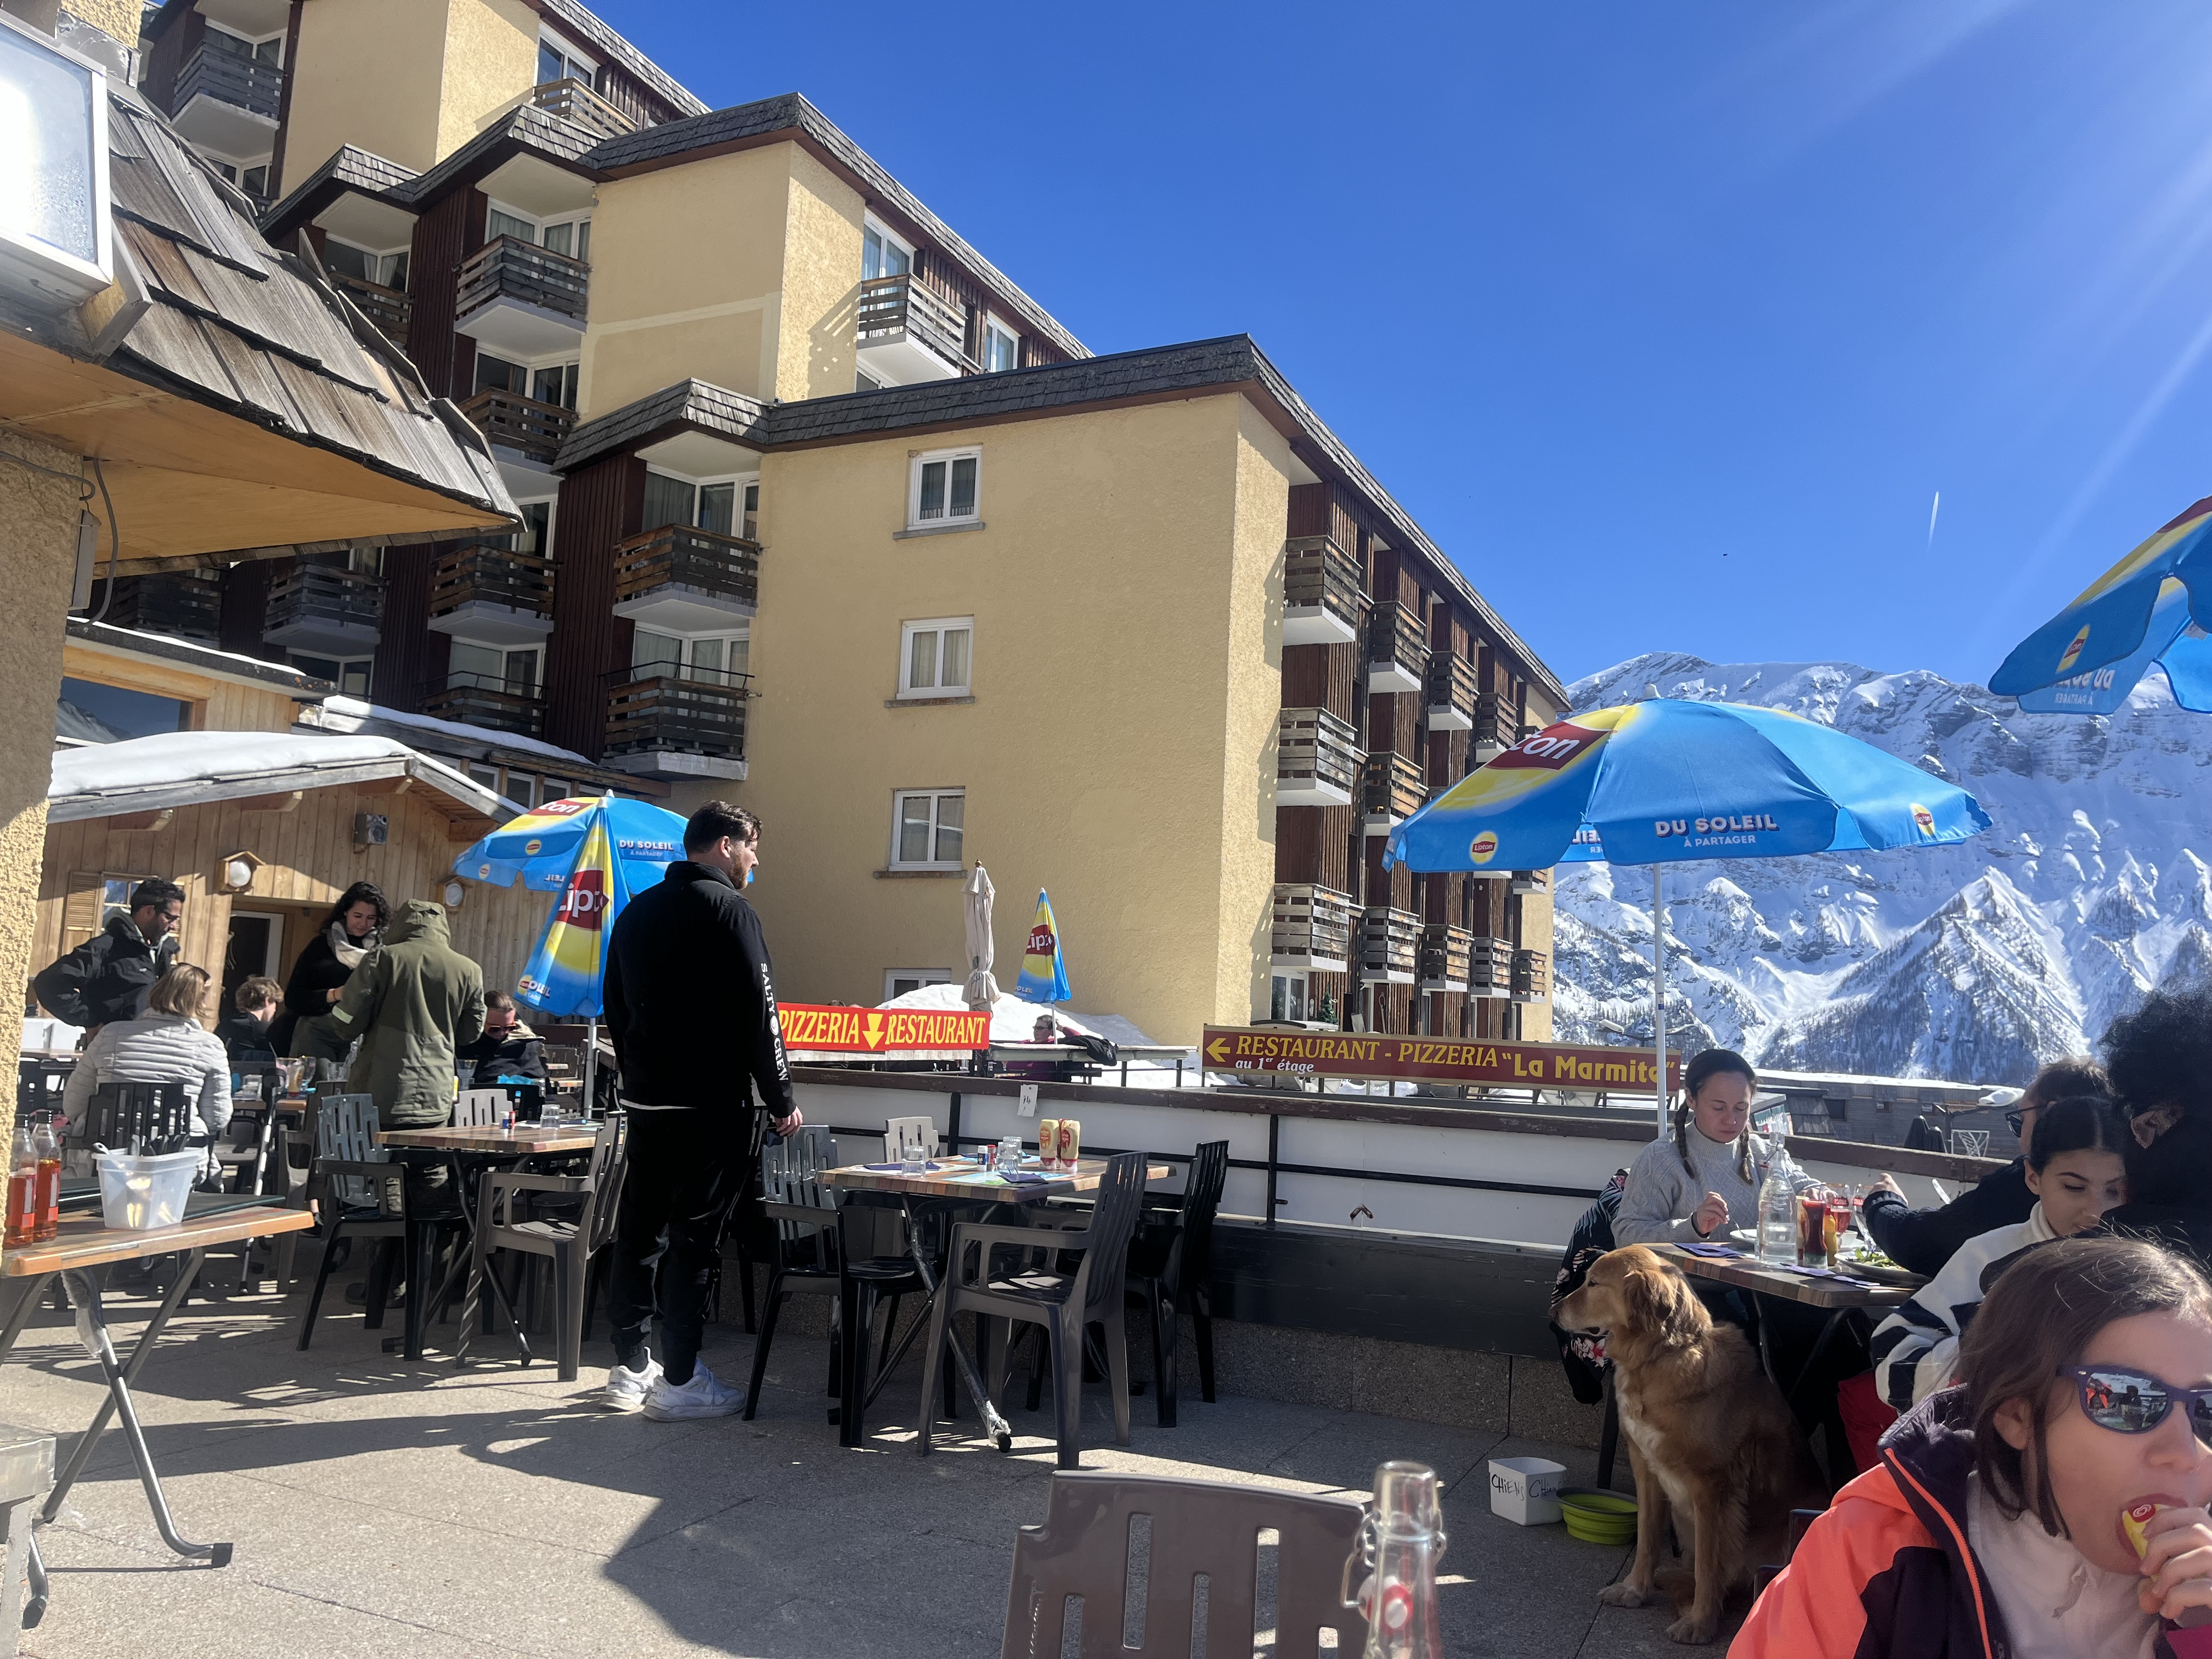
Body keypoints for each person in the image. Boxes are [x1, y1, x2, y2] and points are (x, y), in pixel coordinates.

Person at [1730, 1235, 2212, 1658]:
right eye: (2127, 1399)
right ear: (2017, 1415)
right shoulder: (1869, 1559)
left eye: (2207, 1410)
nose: (2185, 1453)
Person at [600, 800, 801, 1420]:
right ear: (725, 845)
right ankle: (682, 1380)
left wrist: (637, 1076)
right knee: (695, 1240)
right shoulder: (732, 911)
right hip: (710, 1103)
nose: (755, 860)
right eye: (752, 847)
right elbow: (761, 1010)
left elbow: (615, 1005)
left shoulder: (637, 911)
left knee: (639, 1233)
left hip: (646, 1101)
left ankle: (630, 1367)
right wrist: (781, 1097)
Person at [1869, 1095, 2130, 1413]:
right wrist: (1988, 1354)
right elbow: (1891, 1354)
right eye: (2074, 1188)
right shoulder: (1988, 1257)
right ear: (2033, 1177)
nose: (2096, 1211)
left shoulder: (2141, 1267)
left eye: (2115, 1191)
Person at [1861, 1057, 2108, 1276]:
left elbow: (1921, 1245)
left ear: (2054, 1115)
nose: (2095, 1212)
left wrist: (1883, 1201)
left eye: (2021, 1120)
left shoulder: (2017, 1185)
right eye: (2075, 1187)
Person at [1613, 1048, 1813, 1245]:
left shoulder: (1764, 1153)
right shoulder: (1660, 1158)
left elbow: (1806, 1187)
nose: (1731, 1120)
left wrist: (1817, 1194)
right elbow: (1626, 1235)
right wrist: (1692, 1226)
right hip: (1684, 1268)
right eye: (1719, 1108)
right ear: (1691, 1099)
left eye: (1741, 1108)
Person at [328, 899, 484, 1133]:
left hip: (379, 1093)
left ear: (401, 923)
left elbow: (347, 1022)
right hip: (435, 1095)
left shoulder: (381, 959)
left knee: (372, 1156)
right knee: (428, 1156)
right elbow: (469, 1033)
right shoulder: (470, 970)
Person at [60, 963, 231, 1142]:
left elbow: (74, 1104)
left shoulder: (110, 1034)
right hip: (179, 1149)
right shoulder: (210, 1046)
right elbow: (217, 1117)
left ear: (158, 989)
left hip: (108, 1147)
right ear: (201, 1000)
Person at [32, 878, 184, 1033]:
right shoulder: (105, 949)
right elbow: (49, 984)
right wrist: (91, 1021)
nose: (173, 926)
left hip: (156, 1043)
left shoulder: (163, 951)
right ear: (149, 912)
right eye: (169, 918)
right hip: (115, 1046)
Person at [276, 882, 387, 1057]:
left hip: (365, 1039)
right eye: (358, 916)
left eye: (371, 918)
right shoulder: (320, 947)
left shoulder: (385, 951)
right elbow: (293, 998)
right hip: (317, 1037)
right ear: (345, 911)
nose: (363, 923)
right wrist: (333, 995)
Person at [453, 991, 546, 1090]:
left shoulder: (521, 1045)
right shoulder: (464, 1041)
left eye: (509, 1028)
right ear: (481, 1022)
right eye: (495, 1029)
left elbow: (541, 1083)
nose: (502, 1033)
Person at [215, 975, 281, 1063]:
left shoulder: (224, 1025)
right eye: (275, 1002)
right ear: (267, 1001)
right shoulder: (268, 1031)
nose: (275, 1010)